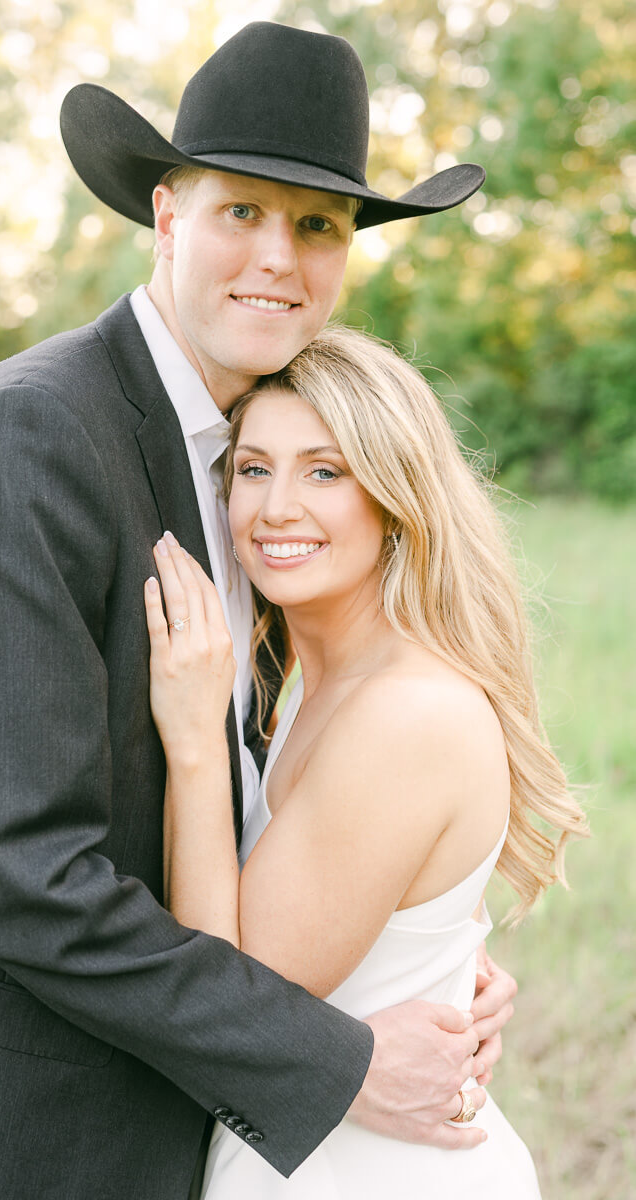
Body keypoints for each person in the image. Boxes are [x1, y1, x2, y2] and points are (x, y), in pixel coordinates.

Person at [0, 22, 516, 1200]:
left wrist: (421, 972)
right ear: (166, 216)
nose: (277, 258)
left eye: (317, 226)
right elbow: (23, 877)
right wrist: (342, 1057)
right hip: (21, 1129)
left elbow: (272, 806)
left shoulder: (256, 463)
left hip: (176, 1120)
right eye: (240, 212)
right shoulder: (36, 433)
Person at [144, 326, 588, 1197]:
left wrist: (194, 743)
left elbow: (231, 1004)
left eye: (324, 471)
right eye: (253, 468)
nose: (275, 509)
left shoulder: (404, 711)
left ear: (393, 496)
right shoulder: (324, 682)